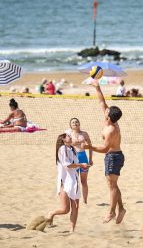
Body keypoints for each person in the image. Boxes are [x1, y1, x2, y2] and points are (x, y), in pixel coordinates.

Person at [83, 80, 126, 224]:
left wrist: (89, 147)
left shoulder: (111, 130)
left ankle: (111, 212)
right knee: (113, 184)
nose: (105, 109)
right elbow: (102, 102)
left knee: (112, 185)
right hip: (113, 156)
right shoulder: (109, 119)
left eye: (107, 111)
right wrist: (97, 87)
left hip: (113, 156)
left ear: (109, 116)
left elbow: (104, 149)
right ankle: (121, 208)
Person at [46, 133, 89, 232]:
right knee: (65, 209)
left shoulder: (72, 149)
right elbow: (67, 165)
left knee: (76, 206)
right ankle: (51, 214)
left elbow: (75, 165)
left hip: (73, 180)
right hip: (64, 181)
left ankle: (72, 230)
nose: (70, 136)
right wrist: (81, 165)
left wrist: (84, 165)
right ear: (64, 140)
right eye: (68, 136)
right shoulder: (62, 149)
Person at [68, 118, 93, 204]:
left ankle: (85, 200)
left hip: (83, 157)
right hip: (74, 158)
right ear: (70, 125)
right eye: (73, 122)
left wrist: (90, 159)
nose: (75, 123)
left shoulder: (84, 134)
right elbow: (65, 148)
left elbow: (90, 146)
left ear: (79, 123)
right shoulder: (69, 135)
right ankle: (75, 199)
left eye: (76, 122)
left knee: (84, 181)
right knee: (74, 180)